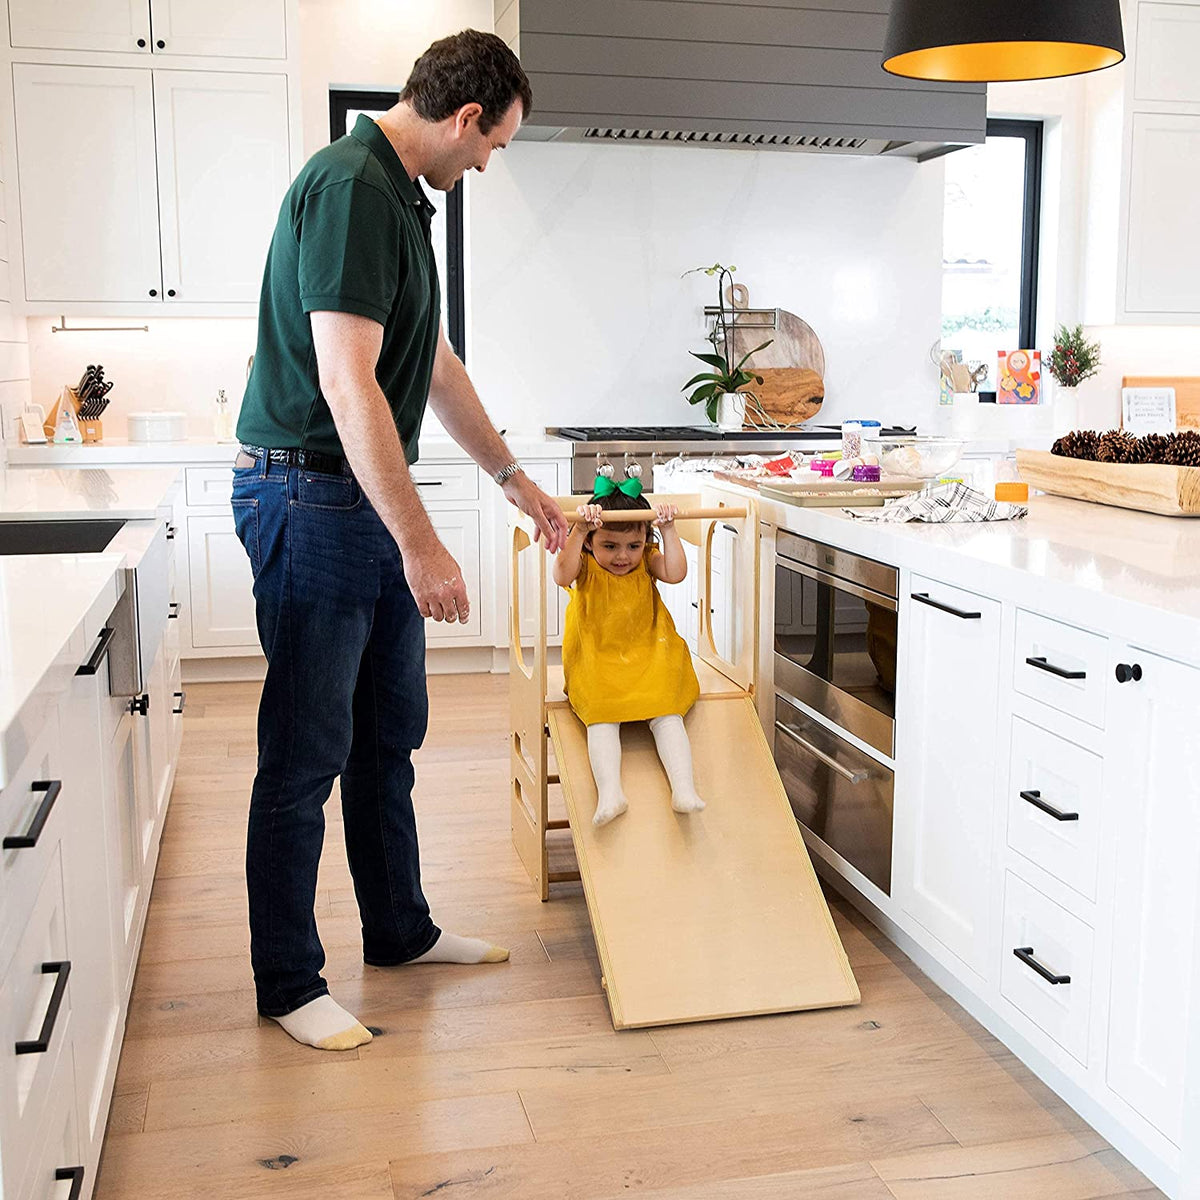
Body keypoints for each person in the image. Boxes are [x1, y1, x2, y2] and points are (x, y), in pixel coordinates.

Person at [231, 29, 569, 1053]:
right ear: (468, 117)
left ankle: (399, 932)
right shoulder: (352, 190)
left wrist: (515, 483)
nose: (486, 164)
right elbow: (347, 382)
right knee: (305, 755)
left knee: (388, 737)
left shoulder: (396, 201)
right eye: (494, 145)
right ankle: (289, 983)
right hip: (311, 498)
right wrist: (422, 545)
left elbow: (431, 365)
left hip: (353, 502)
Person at [552, 474, 705, 827]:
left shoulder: (648, 559)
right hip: (599, 657)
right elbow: (561, 574)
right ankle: (610, 793)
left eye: (632, 546)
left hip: (648, 652)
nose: (623, 556)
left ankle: (684, 789)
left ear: (644, 542)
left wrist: (667, 530)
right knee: (601, 716)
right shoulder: (585, 566)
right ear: (591, 543)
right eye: (610, 546)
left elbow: (676, 572)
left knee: (668, 712)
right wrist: (577, 529)